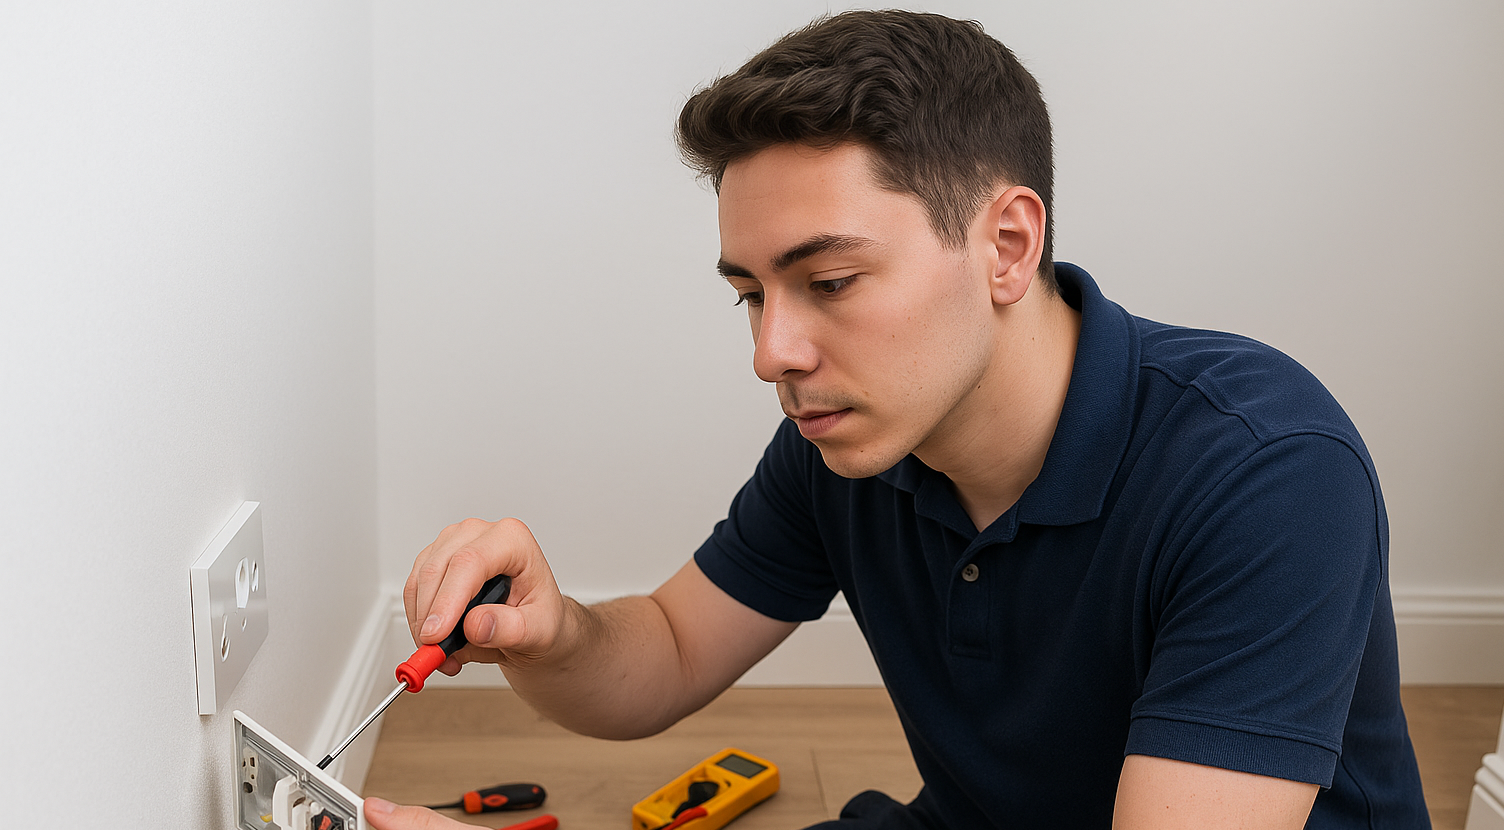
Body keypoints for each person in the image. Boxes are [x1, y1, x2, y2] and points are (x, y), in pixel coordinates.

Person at [363, 10, 1430, 829]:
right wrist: (552, 632)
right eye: (750, 292)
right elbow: (672, 650)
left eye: (828, 280)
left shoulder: (1268, 473)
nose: (770, 351)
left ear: (1007, 245)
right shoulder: (850, 439)